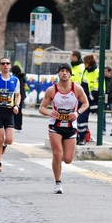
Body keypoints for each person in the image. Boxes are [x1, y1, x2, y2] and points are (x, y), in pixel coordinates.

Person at [38, 63, 89, 194]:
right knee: (57, 153)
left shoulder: (76, 89)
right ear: (58, 74)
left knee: (67, 159)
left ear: (70, 74)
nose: (64, 73)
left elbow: (85, 103)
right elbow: (41, 107)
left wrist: (77, 113)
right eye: (62, 71)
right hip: (55, 125)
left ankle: (57, 162)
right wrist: (50, 113)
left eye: (67, 71)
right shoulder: (52, 90)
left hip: (71, 126)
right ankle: (58, 183)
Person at [77, 54, 99, 145]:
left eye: (85, 62)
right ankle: (80, 136)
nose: (84, 64)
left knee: (82, 119)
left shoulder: (97, 72)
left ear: (88, 63)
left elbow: (97, 90)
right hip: (83, 99)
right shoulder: (86, 71)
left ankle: (82, 138)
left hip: (90, 100)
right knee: (80, 119)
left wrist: (87, 100)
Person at [11, 65, 26, 132]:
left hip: (18, 96)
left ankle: (17, 126)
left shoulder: (16, 78)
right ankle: (16, 125)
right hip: (21, 95)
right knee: (18, 111)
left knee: (17, 111)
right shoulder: (21, 77)